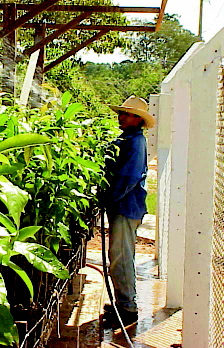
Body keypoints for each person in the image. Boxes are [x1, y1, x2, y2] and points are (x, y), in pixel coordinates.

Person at [102, 95, 155, 328]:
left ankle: (128, 309)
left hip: (125, 206)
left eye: (125, 114)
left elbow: (129, 177)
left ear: (137, 119)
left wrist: (109, 198)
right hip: (123, 205)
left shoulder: (136, 142)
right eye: (120, 113)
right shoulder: (127, 138)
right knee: (119, 256)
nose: (120, 117)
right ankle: (122, 303)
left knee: (121, 258)